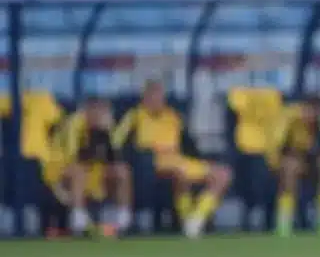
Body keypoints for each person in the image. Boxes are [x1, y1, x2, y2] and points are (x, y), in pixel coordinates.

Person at [113, 80, 232, 238]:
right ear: (145, 98)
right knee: (180, 174)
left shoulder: (173, 116)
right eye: (152, 96)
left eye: (159, 96)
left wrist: (200, 159)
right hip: (152, 163)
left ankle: (197, 218)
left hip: (178, 160)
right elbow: (117, 142)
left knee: (223, 174)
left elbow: (189, 145)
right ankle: (186, 219)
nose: (157, 100)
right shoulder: (134, 116)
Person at [58, 97, 133, 236]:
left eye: (104, 112)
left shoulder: (107, 126)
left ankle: (123, 220)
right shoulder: (74, 124)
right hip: (62, 173)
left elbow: (115, 157)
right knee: (78, 171)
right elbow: (73, 157)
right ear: (88, 111)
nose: (101, 116)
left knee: (122, 171)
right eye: (98, 111)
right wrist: (95, 136)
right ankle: (78, 220)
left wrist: (105, 134)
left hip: (95, 172)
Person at [272, 96, 320, 237]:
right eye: (309, 111)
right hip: (290, 160)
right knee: (290, 168)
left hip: (311, 160)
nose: (311, 116)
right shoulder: (289, 119)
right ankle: (284, 223)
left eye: (315, 111)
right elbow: (278, 149)